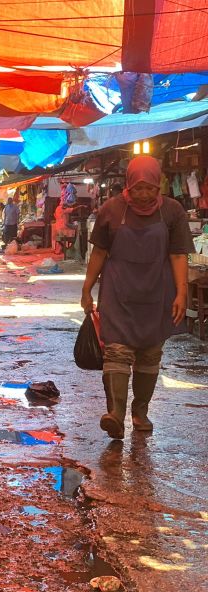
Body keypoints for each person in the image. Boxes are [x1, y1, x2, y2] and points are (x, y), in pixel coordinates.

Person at [81, 156, 194, 440]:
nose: (144, 195)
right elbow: (99, 253)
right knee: (116, 352)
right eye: (138, 188)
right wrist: (86, 288)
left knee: (150, 353)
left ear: (159, 186)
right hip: (118, 292)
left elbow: (178, 255)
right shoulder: (111, 209)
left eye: (150, 189)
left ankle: (140, 412)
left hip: (157, 292)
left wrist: (182, 293)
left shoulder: (173, 211)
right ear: (128, 185)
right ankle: (115, 414)